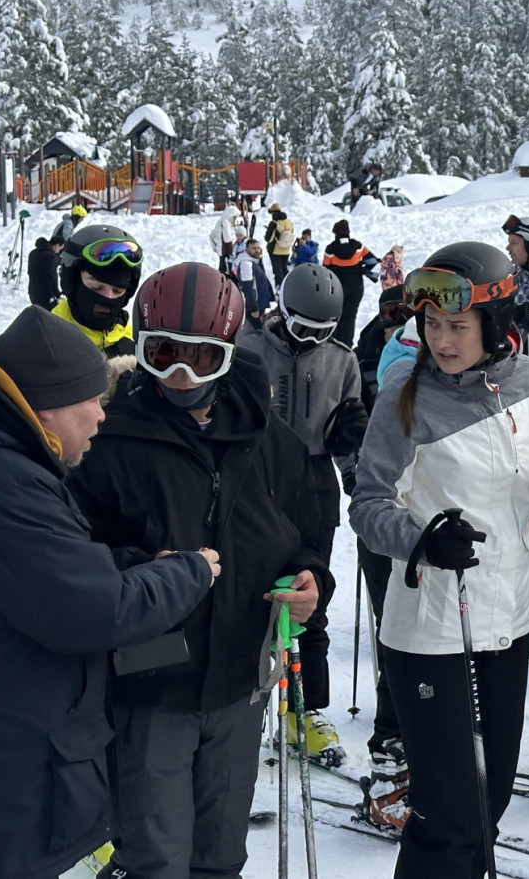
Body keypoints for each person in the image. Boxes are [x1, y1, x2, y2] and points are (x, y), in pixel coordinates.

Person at [68, 262, 328, 879]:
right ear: (142, 347)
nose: (181, 375)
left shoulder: (269, 440)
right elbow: (72, 555)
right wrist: (140, 570)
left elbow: (307, 529)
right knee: (156, 854)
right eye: (162, 355)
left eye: (203, 358)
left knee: (221, 853)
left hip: (239, 676)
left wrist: (311, 578)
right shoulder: (108, 441)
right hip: (151, 682)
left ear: (229, 354)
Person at [0, 306, 218, 879]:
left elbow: (41, 576)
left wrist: (127, 566)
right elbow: (96, 610)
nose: (103, 414)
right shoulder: (2, 481)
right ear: (47, 407)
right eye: (93, 400)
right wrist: (190, 572)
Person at [349, 240, 529, 866]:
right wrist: (423, 539)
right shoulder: (407, 394)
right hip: (431, 626)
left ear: (497, 323)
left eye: (457, 325)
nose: (441, 339)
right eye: (431, 324)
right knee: (448, 812)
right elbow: (368, 507)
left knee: (490, 802)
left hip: (507, 617)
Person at [237, 262, 367, 767]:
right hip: (254, 477)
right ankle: (238, 702)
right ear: (282, 314)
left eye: (322, 332)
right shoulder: (248, 349)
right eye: (302, 329)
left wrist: (353, 470)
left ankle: (305, 711)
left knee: (309, 596)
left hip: (313, 483)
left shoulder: (341, 360)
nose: (310, 340)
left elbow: (347, 429)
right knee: (245, 596)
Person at [53, 223, 143, 357]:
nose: (108, 297)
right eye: (96, 287)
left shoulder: (133, 343)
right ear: (71, 282)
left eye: (118, 291)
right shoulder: (47, 338)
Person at [324, 218, 379, 346]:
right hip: (356, 287)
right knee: (350, 316)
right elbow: (373, 260)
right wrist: (364, 269)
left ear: (335, 233)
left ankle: (335, 342)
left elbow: (326, 269)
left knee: (337, 315)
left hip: (337, 288)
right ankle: (347, 344)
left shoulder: (330, 249)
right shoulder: (358, 246)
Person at [231, 237, 275, 329]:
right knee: (256, 329)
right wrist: (254, 308)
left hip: (259, 302)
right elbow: (247, 288)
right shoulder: (246, 264)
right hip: (255, 306)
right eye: (253, 248)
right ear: (247, 249)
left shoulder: (253, 261)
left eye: (258, 248)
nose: (257, 250)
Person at [28, 231, 64, 308]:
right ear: (57, 245)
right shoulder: (51, 257)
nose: (58, 252)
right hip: (45, 295)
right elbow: (51, 277)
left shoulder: (33, 253)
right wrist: (56, 294)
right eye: (60, 249)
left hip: (32, 292)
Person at [263, 203, 296, 284]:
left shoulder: (274, 223)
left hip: (275, 250)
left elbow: (268, 238)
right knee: (284, 268)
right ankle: (287, 284)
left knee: (277, 271)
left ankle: (279, 286)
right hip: (286, 249)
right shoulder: (289, 223)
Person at [209, 201, 246, 273]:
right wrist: (234, 238)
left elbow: (212, 235)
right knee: (228, 266)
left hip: (221, 247)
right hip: (226, 248)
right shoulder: (225, 223)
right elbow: (227, 239)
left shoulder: (222, 221)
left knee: (222, 265)